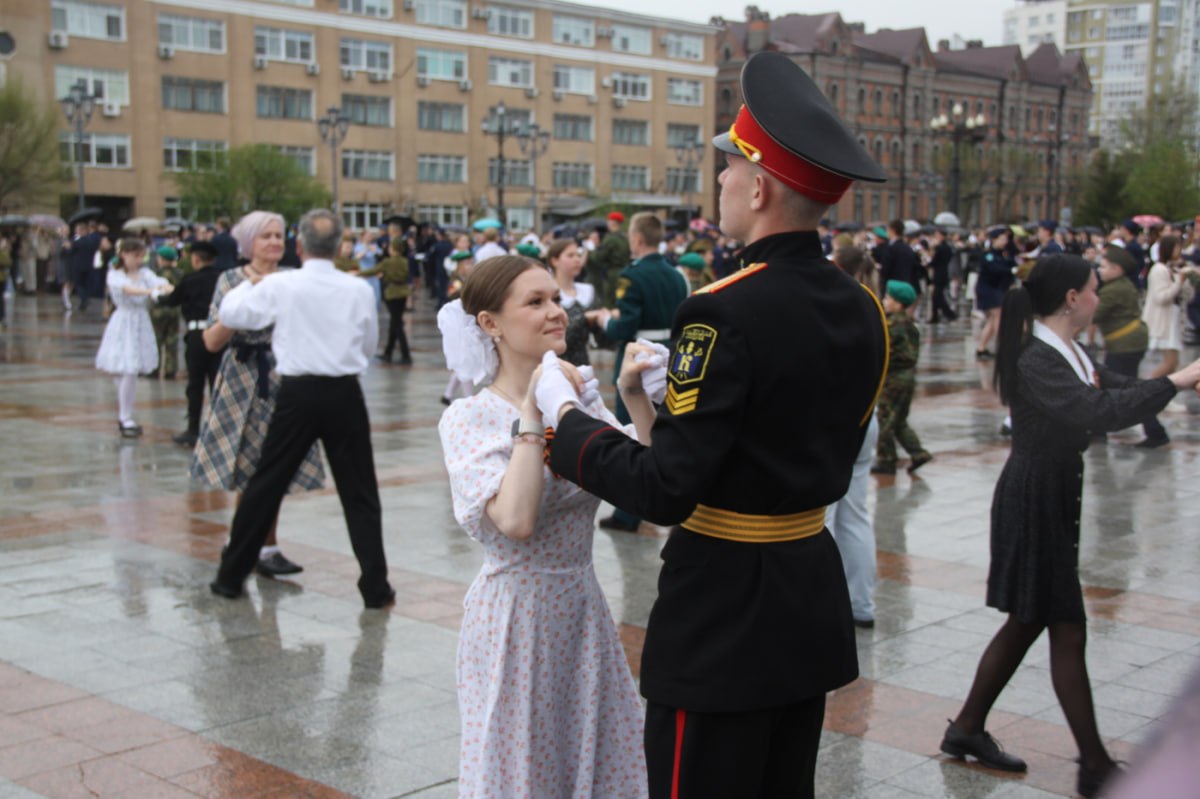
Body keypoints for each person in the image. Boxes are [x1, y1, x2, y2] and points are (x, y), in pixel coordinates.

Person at [537, 51, 889, 798]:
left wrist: (563, 429)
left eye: (729, 169)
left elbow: (667, 490)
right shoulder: (863, 308)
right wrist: (662, 410)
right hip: (804, 593)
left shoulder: (721, 309)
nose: (721, 181)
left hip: (726, 609)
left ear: (759, 187)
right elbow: (787, 438)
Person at [940, 255, 1200, 799]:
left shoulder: (1068, 350)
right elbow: (1094, 410)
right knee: (1064, 625)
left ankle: (968, 727)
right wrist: (1177, 379)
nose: (1099, 298)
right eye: (1093, 289)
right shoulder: (1039, 358)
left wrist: (1176, 386)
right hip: (1034, 496)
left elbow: (1113, 388)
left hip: (1051, 493)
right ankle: (1094, 764)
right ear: (1071, 299)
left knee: (1030, 621)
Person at [437, 255, 649, 798]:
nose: (556, 312)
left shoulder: (577, 400)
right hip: (515, 618)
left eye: (555, 298)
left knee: (593, 755)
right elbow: (516, 520)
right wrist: (533, 414)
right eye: (535, 302)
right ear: (490, 324)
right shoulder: (470, 417)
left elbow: (645, 483)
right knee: (522, 766)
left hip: (581, 607)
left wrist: (635, 398)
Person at [210, 209, 394, 609]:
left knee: (266, 483)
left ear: (299, 245)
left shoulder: (283, 284)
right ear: (339, 245)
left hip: (297, 393)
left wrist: (249, 282)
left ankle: (230, 577)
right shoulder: (358, 289)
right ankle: (376, 587)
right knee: (359, 490)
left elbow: (231, 314)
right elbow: (367, 344)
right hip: (345, 392)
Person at [192, 211, 318, 578]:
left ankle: (267, 546)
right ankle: (244, 542)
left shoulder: (293, 281)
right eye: (266, 236)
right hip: (242, 378)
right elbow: (212, 340)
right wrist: (241, 306)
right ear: (249, 243)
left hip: (284, 377)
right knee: (246, 468)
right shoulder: (230, 280)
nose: (275, 243)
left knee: (274, 467)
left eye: (280, 236)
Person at [584, 212, 688, 533]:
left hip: (638, 357)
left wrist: (604, 321)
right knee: (663, 427)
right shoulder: (677, 274)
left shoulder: (633, 276)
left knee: (629, 430)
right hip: (671, 355)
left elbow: (624, 326)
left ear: (638, 240)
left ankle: (628, 513)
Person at [828, 247, 883, 629]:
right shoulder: (875, 307)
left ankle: (823, 601)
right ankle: (860, 602)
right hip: (867, 416)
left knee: (824, 517)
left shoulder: (834, 305)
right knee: (856, 516)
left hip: (833, 419)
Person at [94, 238, 173, 437]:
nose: (139, 260)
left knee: (130, 370)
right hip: (124, 321)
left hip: (140, 321)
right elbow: (127, 289)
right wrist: (150, 292)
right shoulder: (115, 275)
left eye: (141, 255)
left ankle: (125, 415)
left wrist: (165, 288)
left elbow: (162, 284)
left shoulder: (145, 274)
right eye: (135, 255)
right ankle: (125, 417)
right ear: (124, 254)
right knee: (126, 369)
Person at [1095, 246, 1165, 447]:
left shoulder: (1115, 289)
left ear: (1117, 269)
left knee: (1125, 390)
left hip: (1125, 344)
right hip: (1128, 342)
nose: (1099, 270)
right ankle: (1099, 429)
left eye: (1104, 266)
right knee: (1119, 387)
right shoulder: (1120, 285)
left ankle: (1155, 432)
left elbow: (1094, 314)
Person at [158, 241, 223, 447]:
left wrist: (160, 294)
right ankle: (219, 429)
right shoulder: (222, 280)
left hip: (196, 335)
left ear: (195, 259)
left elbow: (171, 301)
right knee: (217, 384)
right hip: (220, 333)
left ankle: (193, 429)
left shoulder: (190, 280)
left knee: (195, 384)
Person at [871, 280, 933, 475]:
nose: (884, 300)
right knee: (899, 420)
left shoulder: (890, 325)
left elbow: (881, 351)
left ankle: (886, 461)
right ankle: (918, 453)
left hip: (893, 379)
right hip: (907, 377)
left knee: (885, 420)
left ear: (898, 303)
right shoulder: (909, 324)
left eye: (888, 298)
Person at [1142, 235, 1196, 417]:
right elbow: (1161, 297)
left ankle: (1158, 394)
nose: (1179, 251)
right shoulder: (1158, 270)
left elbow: (1183, 297)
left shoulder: (1170, 269)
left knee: (1173, 362)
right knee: (1170, 362)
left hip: (1172, 320)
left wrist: (1186, 283)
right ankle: (1149, 392)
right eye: (1176, 247)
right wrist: (1179, 281)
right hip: (1162, 321)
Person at [546, 237, 595, 366]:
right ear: (555, 261)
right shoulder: (546, 294)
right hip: (556, 364)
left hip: (583, 364)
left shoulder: (587, 290)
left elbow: (602, 339)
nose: (577, 259)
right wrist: (584, 318)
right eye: (570, 255)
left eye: (578, 255)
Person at [364, 238, 412, 365]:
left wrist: (357, 273)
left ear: (393, 249)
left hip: (392, 293)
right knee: (394, 322)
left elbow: (373, 271)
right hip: (403, 292)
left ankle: (406, 354)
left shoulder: (387, 262)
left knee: (397, 324)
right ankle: (388, 352)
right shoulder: (404, 261)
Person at [975, 226, 1015, 359]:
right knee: (997, 318)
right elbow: (995, 269)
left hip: (996, 289)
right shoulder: (989, 255)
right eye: (1002, 239)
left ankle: (981, 348)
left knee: (992, 321)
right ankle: (1003, 347)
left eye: (1006, 239)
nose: (1005, 242)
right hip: (988, 289)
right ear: (994, 240)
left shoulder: (1003, 254)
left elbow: (1009, 264)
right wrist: (1012, 270)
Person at [149, 246, 184, 379]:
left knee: (156, 339)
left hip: (157, 310)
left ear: (162, 259)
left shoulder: (156, 274)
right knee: (172, 340)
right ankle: (171, 369)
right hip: (174, 310)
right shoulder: (179, 273)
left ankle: (154, 368)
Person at [590, 211, 631, 307]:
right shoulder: (625, 238)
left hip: (612, 275)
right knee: (621, 300)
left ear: (613, 223)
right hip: (624, 272)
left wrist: (594, 249)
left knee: (609, 303)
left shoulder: (610, 239)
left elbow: (598, 258)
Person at [928, 227, 958, 323]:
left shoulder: (942, 248)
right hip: (941, 273)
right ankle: (935, 316)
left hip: (940, 274)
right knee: (936, 296)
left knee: (937, 296)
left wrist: (933, 249)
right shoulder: (945, 247)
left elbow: (934, 260)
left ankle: (949, 314)